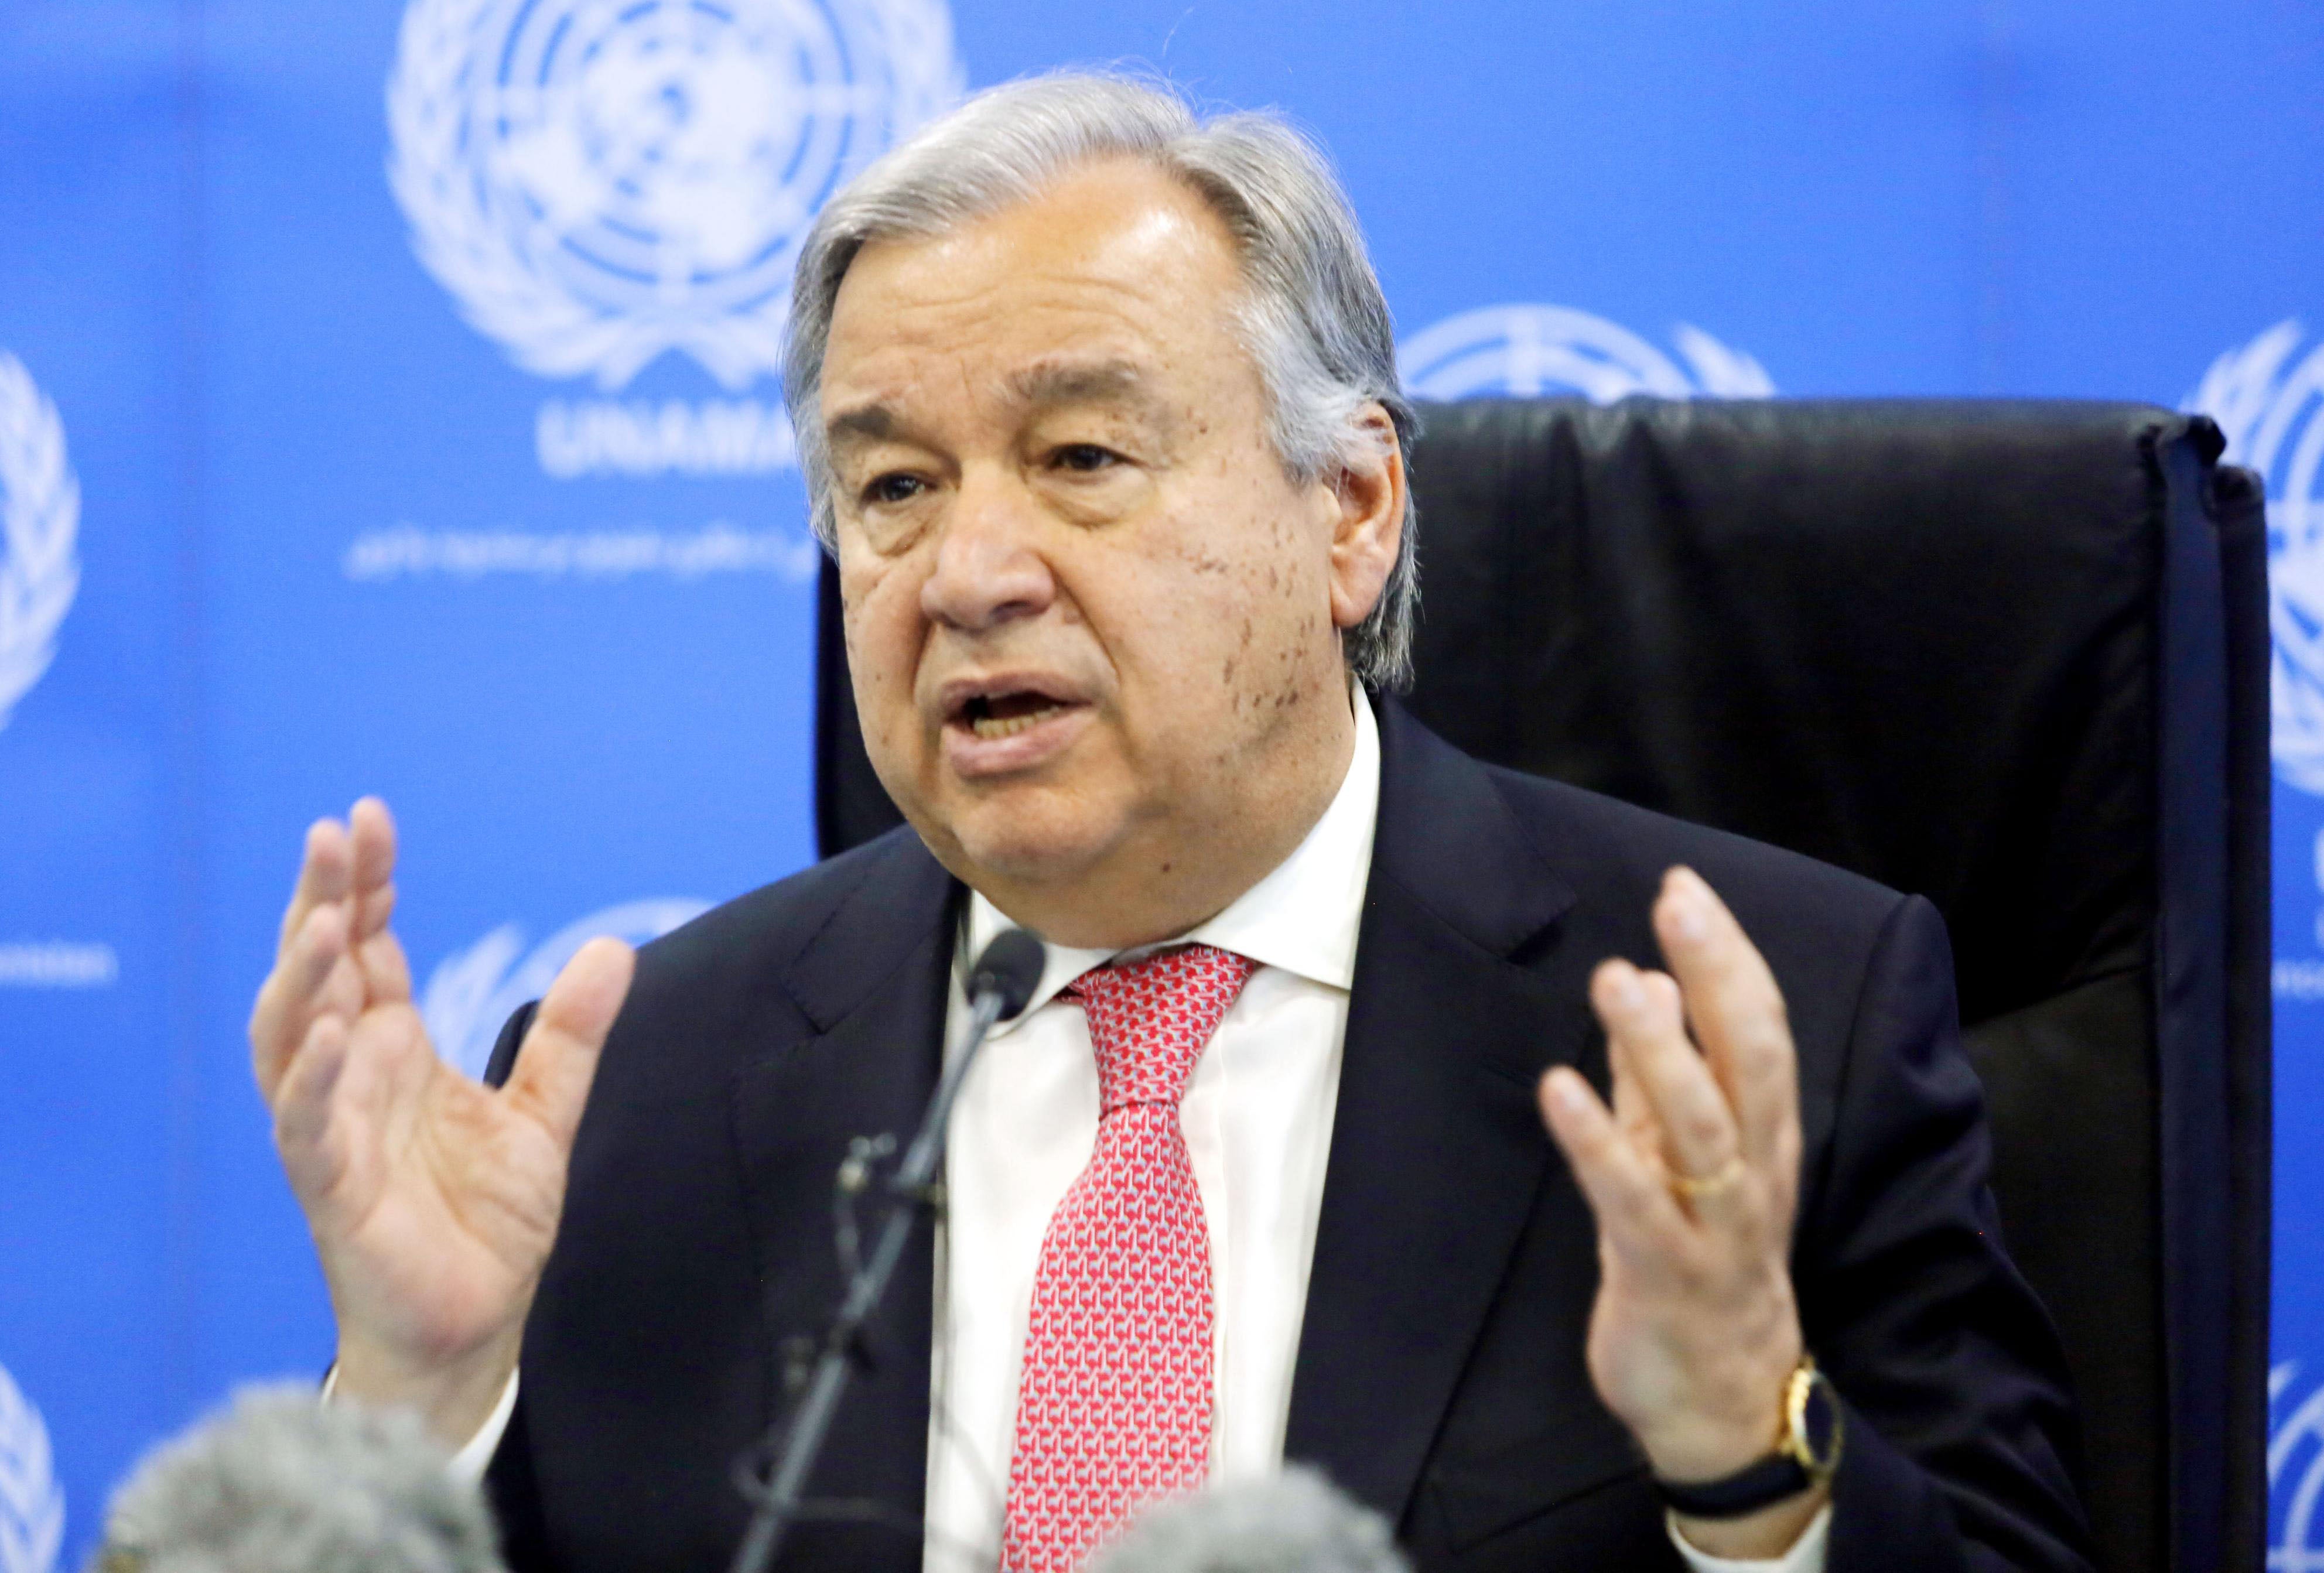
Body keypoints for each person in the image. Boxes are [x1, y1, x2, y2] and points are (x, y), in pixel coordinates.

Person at [246, 74, 2093, 1573]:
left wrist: (1743, 1455)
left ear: (1352, 510)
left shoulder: (1755, 1032)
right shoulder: (636, 1089)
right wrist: (423, 1398)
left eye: (1081, 462)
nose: (967, 571)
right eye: (892, 486)